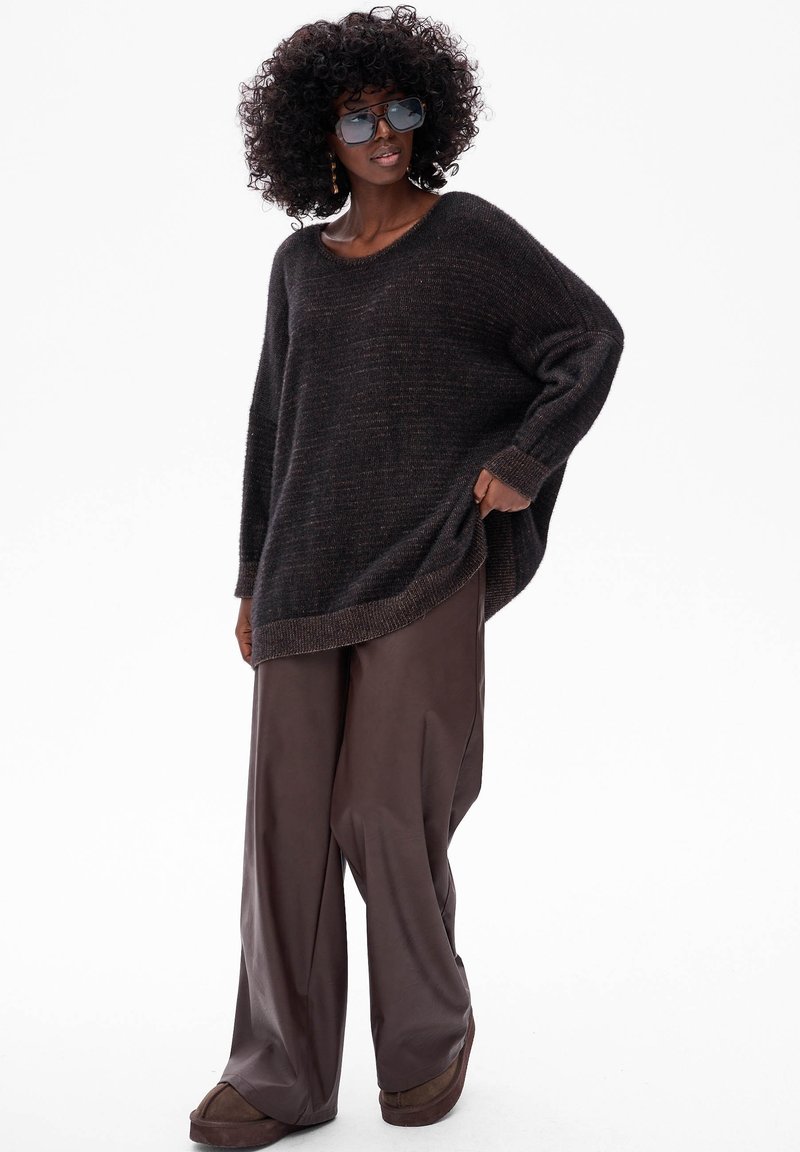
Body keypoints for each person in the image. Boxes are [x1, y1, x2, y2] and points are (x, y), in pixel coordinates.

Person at [190, 6, 624, 1148]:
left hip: (427, 561)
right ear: (316, 136)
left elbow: (588, 338)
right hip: (301, 574)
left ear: (431, 115)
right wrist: (251, 574)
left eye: (401, 109)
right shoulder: (298, 265)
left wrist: (523, 463)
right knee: (286, 834)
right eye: (355, 116)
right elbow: (272, 423)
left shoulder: (467, 234)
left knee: (383, 811)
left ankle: (428, 1039)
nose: (382, 133)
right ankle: (281, 1074)